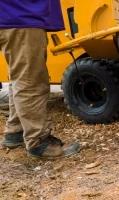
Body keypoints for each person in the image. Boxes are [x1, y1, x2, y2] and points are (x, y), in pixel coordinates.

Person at [0, 1, 80, 158]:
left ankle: (16, 131)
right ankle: (38, 142)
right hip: (21, 14)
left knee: (21, 76)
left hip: (14, 15)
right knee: (31, 81)